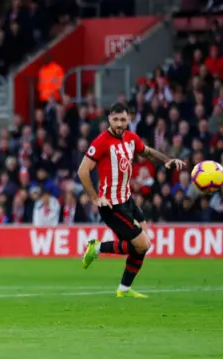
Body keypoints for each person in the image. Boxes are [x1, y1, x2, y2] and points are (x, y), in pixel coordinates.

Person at [77, 102, 186, 298]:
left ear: (129, 120)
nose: (119, 124)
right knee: (143, 244)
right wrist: (95, 198)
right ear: (109, 118)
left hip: (127, 200)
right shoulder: (101, 142)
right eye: (116, 119)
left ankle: (124, 289)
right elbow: (83, 171)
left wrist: (167, 160)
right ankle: (98, 248)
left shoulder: (131, 138)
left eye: (123, 120)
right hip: (110, 205)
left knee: (143, 244)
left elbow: (148, 151)